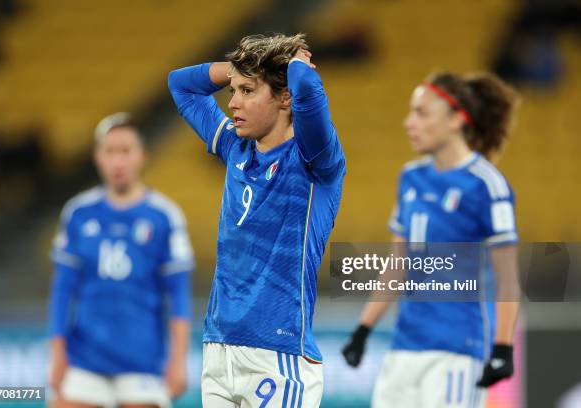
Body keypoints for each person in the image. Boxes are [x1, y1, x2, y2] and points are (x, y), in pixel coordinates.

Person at [168, 33, 345, 407]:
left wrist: (295, 64)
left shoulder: (315, 160)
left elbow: (309, 93)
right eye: (234, 90)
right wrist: (239, 69)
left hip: (277, 356)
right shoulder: (236, 146)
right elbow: (180, 85)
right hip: (219, 350)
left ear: (284, 98)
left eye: (248, 91)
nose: (233, 103)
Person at [342, 72, 520, 407]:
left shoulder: (487, 185)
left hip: (457, 349)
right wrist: (363, 329)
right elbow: (398, 264)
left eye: (422, 113)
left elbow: (508, 279)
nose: (409, 122)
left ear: (456, 119)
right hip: (404, 348)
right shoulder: (410, 177)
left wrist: (502, 347)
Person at [48, 112, 194, 408]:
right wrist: (57, 352)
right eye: (110, 151)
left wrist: (178, 361)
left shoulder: (164, 216)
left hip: (143, 362)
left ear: (142, 156)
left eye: (125, 151)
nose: (118, 161)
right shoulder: (78, 213)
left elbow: (179, 296)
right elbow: (63, 290)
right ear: (97, 157)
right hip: (85, 359)